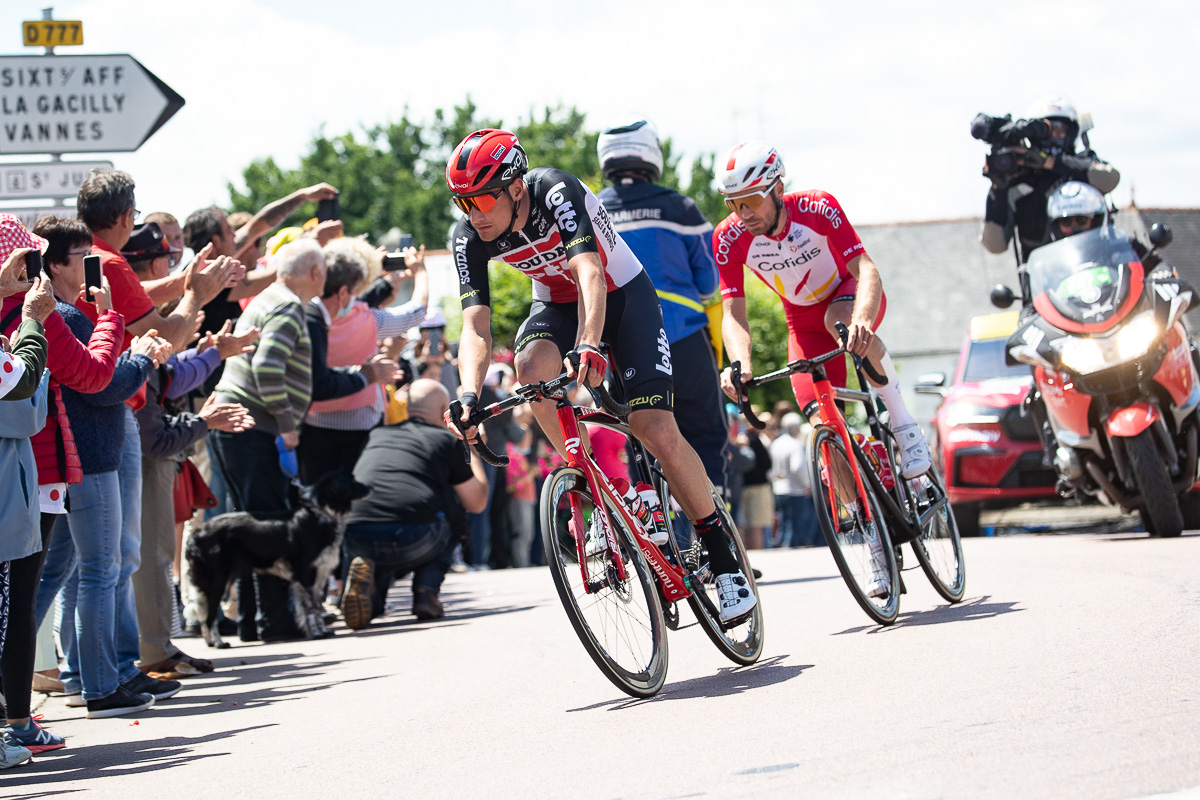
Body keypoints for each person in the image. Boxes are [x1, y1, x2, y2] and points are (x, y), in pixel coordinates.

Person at [447, 128, 755, 622]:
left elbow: (590, 271)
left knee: (654, 429)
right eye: (464, 201)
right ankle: (594, 489)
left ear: (516, 188)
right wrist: (466, 393)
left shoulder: (555, 190)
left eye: (484, 197)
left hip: (623, 297)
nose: (474, 213)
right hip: (557, 305)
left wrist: (589, 343)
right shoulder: (469, 235)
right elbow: (475, 325)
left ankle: (723, 559)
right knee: (530, 369)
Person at [714, 141, 929, 596]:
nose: (742, 213)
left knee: (839, 321)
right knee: (822, 429)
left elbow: (866, 269)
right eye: (733, 203)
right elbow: (732, 313)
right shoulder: (729, 236)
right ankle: (874, 543)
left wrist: (863, 320)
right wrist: (740, 363)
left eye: (750, 200)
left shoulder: (817, 207)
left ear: (777, 188)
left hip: (848, 294)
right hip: (801, 321)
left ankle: (904, 424)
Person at [596, 117, 729, 495]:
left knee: (638, 436)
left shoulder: (592, 211)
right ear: (651, 153)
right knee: (705, 430)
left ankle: (652, 524)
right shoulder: (679, 207)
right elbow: (710, 277)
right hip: (683, 337)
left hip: (623, 345)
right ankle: (717, 525)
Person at [209, 239, 326, 642]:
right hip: (252, 424)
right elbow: (268, 366)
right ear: (314, 272)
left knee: (248, 525)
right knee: (269, 526)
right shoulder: (290, 306)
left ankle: (251, 623)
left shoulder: (268, 298)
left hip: (236, 421)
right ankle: (274, 623)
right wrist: (287, 421)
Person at [341, 379, 489, 629]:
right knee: (451, 514)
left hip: (356, 533)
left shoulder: (377, 435)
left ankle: (371, 595)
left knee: (382, 542)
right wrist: (471, 445)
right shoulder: (445, 441)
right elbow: (477, 502)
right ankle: (426, 593)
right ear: (446, 410)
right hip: (411, 536)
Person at [978, 96, 1120, 266]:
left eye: (1060, 129)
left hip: (1093, 274)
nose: (1054, 136)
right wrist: (998, 187)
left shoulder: (1082, 163)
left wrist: (1050, 162)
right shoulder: (1018, 180)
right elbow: (994, 245)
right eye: (1045, 130)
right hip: (1044, 283)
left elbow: (1110, 178)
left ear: (1072, 132)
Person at [769, 413, 819, 547]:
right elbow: (797, 467)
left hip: (779, 488)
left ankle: (782, 546)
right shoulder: (795, 444)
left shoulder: (776, 443)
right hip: (794, 489)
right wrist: (807, 484)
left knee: (784, 522)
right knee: (795, 523)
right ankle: (790, 547)